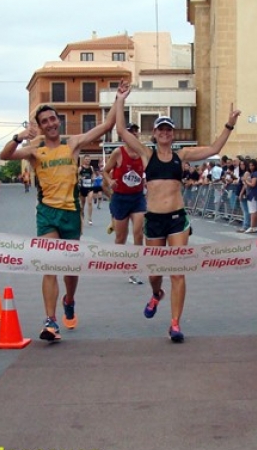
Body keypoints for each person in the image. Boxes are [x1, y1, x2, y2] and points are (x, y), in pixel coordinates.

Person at [114, 81, 241, 342]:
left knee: (178, 271)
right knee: (154, 273)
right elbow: (120, 130)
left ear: (173, 134)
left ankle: (174, 323)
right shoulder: (146, 155)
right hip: (154, 220)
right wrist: (120, 100)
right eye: (160, 129)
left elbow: (214, 150)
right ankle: (156, 293)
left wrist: (229, 124)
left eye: (168, 130)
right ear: (155, 133)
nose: (164, 133)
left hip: (177, 219)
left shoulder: (180, 156)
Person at [0, 97, 118, 342]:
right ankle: (51, 320)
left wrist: (118, 99)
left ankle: (69, 300)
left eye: (53, 119)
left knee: (70, 269)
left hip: (71, 214)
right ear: (40, 127)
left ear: (59, 122)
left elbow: (107, 126)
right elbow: (5, 155)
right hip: (47, 214)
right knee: (50, 264)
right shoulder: (35, 151)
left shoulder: (73, 144)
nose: (51, 124)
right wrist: (18, 137)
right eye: (45, 121)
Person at [103, 121, 147, 285]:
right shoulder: (118, 153)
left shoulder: (143, 153)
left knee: (138, 232)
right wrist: (110, 181)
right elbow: (105, 171)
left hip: (137, 198)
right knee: (120, 238)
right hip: (120, 198)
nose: (134, 134)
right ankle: (118, 262)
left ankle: (135, 269)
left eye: (136, 131)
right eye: (131, 131)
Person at [78, 155, 95, 225]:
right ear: (84, 160)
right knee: (82, 204)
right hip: (82, 187)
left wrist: (93, 178)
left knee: (90, 202)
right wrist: (81, 178)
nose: (88, 160)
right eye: (86, 159)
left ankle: (90, 218)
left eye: (89, 159)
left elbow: (93, 175)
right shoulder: (80, 168)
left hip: (90, 187)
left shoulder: (91, 168)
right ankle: (82, 216)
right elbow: (77, 175)